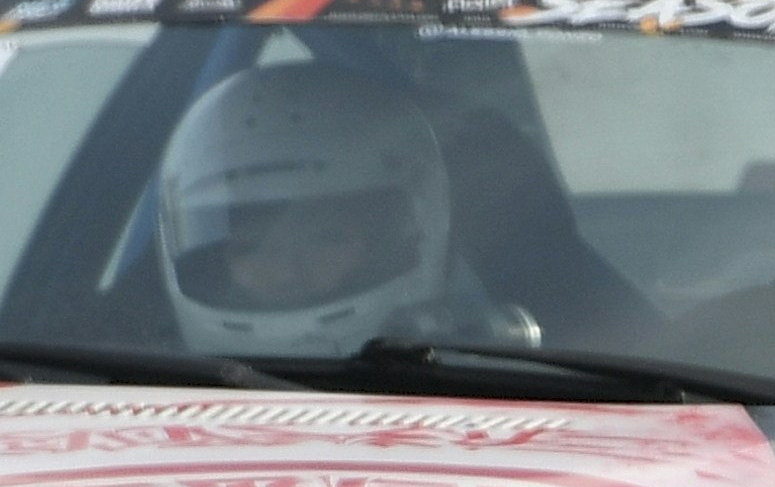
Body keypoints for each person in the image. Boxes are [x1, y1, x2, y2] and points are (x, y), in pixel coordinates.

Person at [153, 64, 535, 361]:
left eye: (327, 239)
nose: (286, 272)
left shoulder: (495, 372)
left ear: (403, 235)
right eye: (249, 247)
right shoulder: (126, 370)